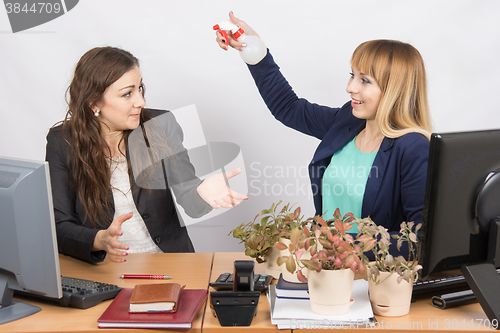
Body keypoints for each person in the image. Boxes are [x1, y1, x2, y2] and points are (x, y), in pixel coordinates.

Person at [215, 13, 432, 256]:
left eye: (365, 80)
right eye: (353, 75)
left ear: (395, 89)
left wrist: (341, 245)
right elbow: (288, 107)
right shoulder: (346, 122)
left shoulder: (413, 148)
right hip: (326, 268)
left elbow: (418, 242)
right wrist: (255, 51)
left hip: (370, 282)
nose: (350, 87)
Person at [46, 46, 247, 264]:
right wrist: (99, 239)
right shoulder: (62, 142)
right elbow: (59, 226)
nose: (140, 101)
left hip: (167, 264)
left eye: (140, 88)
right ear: (94, 103)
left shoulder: (160, 125)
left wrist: (201, 193)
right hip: (103, 269)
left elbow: (190, 201)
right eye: (127, 94)